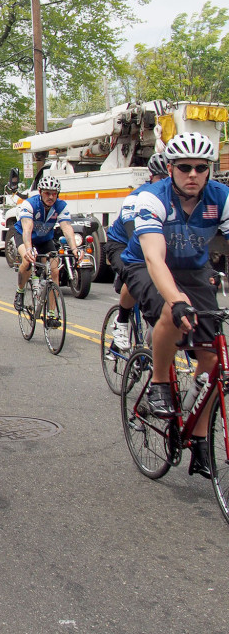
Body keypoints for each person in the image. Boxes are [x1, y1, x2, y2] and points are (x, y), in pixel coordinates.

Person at [119, 132, 228, 476]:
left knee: (213, 359)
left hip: (193, 269)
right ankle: (161, 383)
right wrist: (178, 301)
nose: (193, 174)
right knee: (171, 308)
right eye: (184, 167)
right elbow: (154, 257)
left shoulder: (221, 197)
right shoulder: (154, 197)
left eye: (201, 167)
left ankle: (198, 438)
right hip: (145, 266)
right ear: (170, 168)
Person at [105, 151, 168, 350]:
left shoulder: (175, 196)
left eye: (169, 178)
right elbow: (137, 240)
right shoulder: (138, 198)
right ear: (151, 178)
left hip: (152, 242)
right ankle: (122, 322)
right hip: (123, 244)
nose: (164, 182)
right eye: (161, 178)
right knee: (135, 273)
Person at [13, 175, 83, 316]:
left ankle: (51, 312)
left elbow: (67, 228)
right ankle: (20, 291)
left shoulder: (60, 206)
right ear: (40, 192)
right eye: (47, 193)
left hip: (44, 239)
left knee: (55, 270)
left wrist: (75, 249)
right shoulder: (30, 204)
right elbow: (27, 229)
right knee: (27, 261)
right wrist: (28, 249)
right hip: (25, 236)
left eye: (54, 194)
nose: (51, 197)